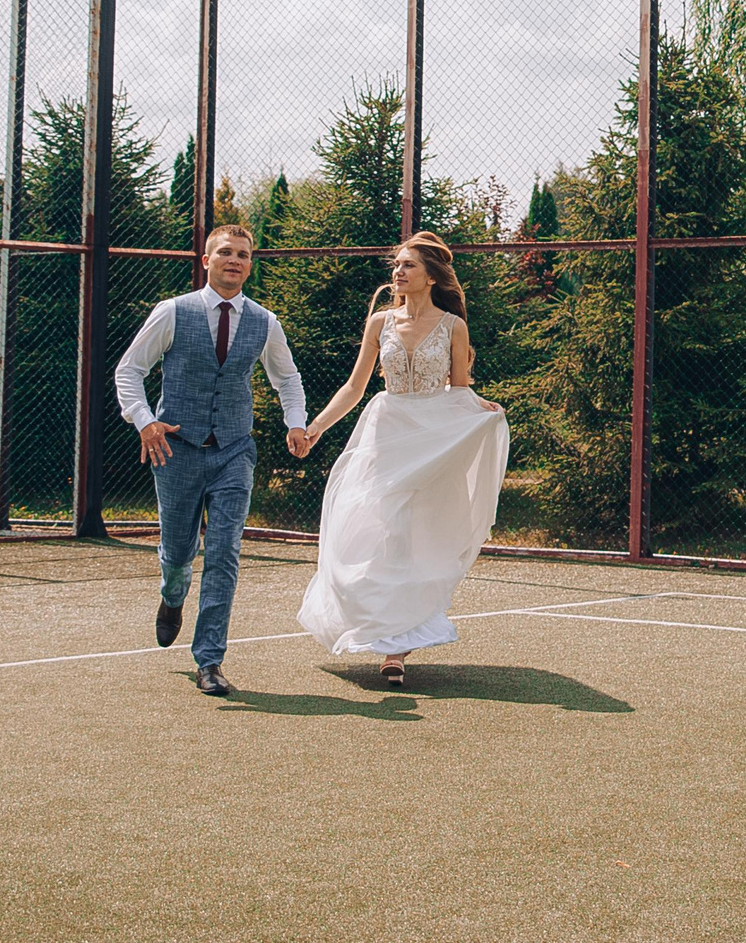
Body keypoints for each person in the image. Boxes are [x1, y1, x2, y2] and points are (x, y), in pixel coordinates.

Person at [294, 232, 510, 687]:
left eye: (408, 265)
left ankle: (397, 648)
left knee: (420, 537)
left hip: (433, 439)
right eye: (397, 264)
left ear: (431, 277)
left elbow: (460, 387)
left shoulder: (454, 326)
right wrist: (315, 428)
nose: (398, 272)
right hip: (387, 431)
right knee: (379, 530)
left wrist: (481, 408)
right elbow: (355, 388)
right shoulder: (380, 323)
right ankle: (380, 629)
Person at [115, 222, 307, 695]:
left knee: (223, 553)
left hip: (234, 452)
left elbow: (288, 379)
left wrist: (295, 422)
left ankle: (210, 661)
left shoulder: (264, 322)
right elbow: (129, 370)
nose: (234, 261)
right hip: (176, 450)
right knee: (179, 553)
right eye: (225, 252)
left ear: (249, 264)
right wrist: (144, 420)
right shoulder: (173, 312)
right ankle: (171, 596)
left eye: (243, 254)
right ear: (207, 260)